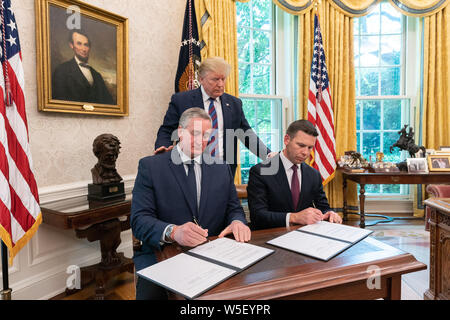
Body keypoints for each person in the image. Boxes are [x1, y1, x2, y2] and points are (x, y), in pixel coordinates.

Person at [131, 108, 251, 300]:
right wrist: (173, 231)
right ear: (180, 132)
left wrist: (238, 222)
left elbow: (234, 209)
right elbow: (139, 221)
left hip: (213, 252)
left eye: (205, 135)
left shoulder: (221, 168)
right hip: (162, 254)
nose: (199, 140)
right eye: (193, 133)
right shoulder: (151, 167)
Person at [154, 56, 275, 176]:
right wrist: (163, 148)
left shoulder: (234, 104)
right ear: (201, 79)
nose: (221, 84)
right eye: (215, 79)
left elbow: (246, 134)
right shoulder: (182, 101)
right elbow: (167, 130)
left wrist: (268, 155)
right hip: (190, 169)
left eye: (223, 79)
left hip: (224, 169)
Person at [247, 120, 342, 230]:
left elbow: (323, 207)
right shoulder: (260, 171)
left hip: (307, 237)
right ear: (287, 140)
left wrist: (330, 213)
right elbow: (258, 216)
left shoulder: (313, 174)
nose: (305, 153)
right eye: (301, 145)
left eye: (310, 147)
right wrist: (294, 217)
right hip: (271, 235)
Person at [52, 30, 115, 105]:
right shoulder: (62, 70)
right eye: (79, 44)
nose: (84, 49)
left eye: (86, 45)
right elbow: (58, 103)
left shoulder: (97, 76)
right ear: (71, 45)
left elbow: (109, 103)